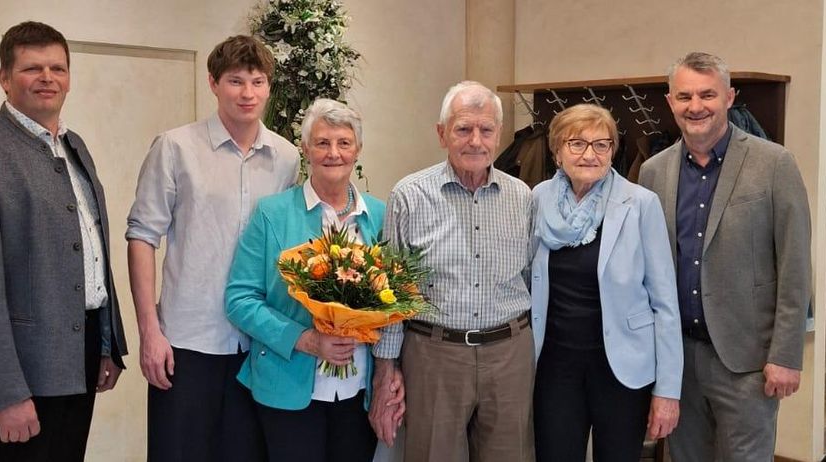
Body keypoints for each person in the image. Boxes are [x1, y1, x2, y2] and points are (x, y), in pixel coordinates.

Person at [0, 21, 128, 462]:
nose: (47, 78)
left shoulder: (74, 146)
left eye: (58, 68)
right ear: (4, 78)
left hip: (81, 348)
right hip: (24, 364)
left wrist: (107, 343)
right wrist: (5, 391)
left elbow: (92, 248)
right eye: (32, 68)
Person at [125, 35, 298, 461]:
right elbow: (142, 236)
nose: (247, 93)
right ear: (213, 83)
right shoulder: (175, 147)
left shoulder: (287, 157)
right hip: (186, 340)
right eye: (235, 81)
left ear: (269, 86)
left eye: (258, 82)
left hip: (255, 342)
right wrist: (150, 331)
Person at [638, 52, 812, 461]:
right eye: (685, 96)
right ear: (670, 102)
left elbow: (795, 265)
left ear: (729, 98)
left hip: (747, 363)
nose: (695, 106)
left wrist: (786, 355)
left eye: (707, 95)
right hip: (678, 363)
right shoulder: (652, 172)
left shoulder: (775, 164)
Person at [371, 81, 535, 462]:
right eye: (463, 129)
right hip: (434, 355)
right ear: (442, 133)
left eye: (486, 129)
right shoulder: (409, 196)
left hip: (508, 355)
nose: (475, 141)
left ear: (499, 134)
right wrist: (385, 369)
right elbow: (391, 291)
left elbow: (530, 277)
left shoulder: (523, 197)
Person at [224, 98, 384, 462]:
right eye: (322, 142)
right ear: (305, 149)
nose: (333, 153)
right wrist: (306, 340)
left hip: (359, 391)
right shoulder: (272, 213)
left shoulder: (378, 215)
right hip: (288, 387)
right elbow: (240, 299)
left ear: (358, 149)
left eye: (344, 143)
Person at [529, 103, 683, 461]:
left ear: (613, 151)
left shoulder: (640, 203)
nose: (590, 154)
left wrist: (668, 390)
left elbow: (665, 303)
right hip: (554, 367)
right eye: (577, 143)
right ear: (556, 152)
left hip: (622, 369)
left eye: (601, 144)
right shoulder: (537, 199)